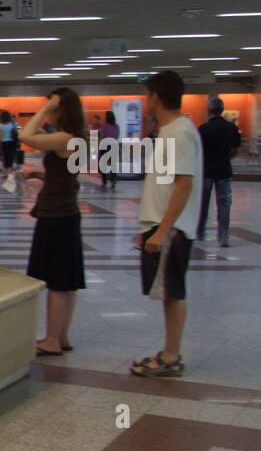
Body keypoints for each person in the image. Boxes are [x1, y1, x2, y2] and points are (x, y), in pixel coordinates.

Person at [130, 70, 202, 378]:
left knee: (173, 292)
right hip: (162, 224)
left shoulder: (179, 132)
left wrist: (162, 229)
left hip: (171, 228)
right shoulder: (170, 130)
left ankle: (172, 356)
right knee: (168, 291)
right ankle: (170, 351)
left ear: (156, 97)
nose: (146, 101)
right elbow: (164, 183)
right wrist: (147, 226)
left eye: (147, 94)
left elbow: (184, 185)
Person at [20, 88, 86, 356]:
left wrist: (46, 108)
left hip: (56, 217)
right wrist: (40, 174)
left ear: (62, 109)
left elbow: (25, 135)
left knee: (57, 281)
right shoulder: (76, 138)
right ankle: (62, 336)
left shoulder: (64, 139)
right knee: (67, 281)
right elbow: (66, 176)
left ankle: (51, 340)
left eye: (54, 107)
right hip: (67, 214)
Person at [197, 97, 241, 247]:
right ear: (222, 110)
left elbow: (198, 151)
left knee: (202, 203)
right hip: (224, 170)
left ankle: (199, 232)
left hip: (206, 171)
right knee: (224, 204)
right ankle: (223, 236)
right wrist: (226, 157)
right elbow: (236, 150)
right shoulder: (231, 128)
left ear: (208, 110)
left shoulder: (202, 129)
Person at [98, 110, 120, 189]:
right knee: (113, 164)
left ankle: (104, 181)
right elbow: (117, 136)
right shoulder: (116, 126)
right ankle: (113, 180)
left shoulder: (104, 126)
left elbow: (102, 136)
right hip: (114, 145)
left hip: (105, 146)